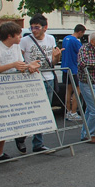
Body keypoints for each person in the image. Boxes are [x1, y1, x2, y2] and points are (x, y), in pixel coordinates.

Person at [0, 22, 40, 161]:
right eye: (18, 34)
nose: (21, 37)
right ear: (9, 36)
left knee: (7, 121)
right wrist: (13, 65)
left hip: (12, 87)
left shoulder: (15, 47)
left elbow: (19, 65)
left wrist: (29, 66)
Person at [16, 13, 61, 154]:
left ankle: (38, 143)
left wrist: (57, 56)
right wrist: (27, 66)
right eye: (32, 27)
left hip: (48, 78)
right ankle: (21, 136)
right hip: (32, 80)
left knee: (44, 111)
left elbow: (52, 62)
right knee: (30, 110)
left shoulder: (50, 39)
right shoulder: (25, 40)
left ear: (45, 28)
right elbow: (19, 59)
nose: (34, 30)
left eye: (37, 27)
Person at [61, 24, 86, 120]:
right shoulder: (76, 41)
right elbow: (82, 54)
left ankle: (67, 112)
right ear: (80, 32)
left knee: (68, 91)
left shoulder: (66, 39)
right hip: (74, 69)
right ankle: (74, 112)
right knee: (77, 91)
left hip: (65, 68)